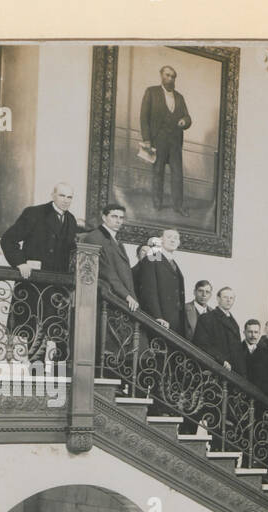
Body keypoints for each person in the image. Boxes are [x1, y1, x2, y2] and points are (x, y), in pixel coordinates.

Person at [0, 183, 80, 358]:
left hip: (58, 287)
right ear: (53, 195)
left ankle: (58, 378)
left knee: (58, 332)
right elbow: (8, 239)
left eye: (69, 197)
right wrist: (20, 263)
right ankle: (36, 377)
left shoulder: (71, 220)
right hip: (34, 284)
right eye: (62, 196)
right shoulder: (34, 213)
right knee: (34, 332)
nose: (65, 200)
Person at [140, 64, 192, 214]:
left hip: (175, 142)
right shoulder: (151, 92)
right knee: (158, 172)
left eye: (173, 76)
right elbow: (144, 117)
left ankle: (178, 206)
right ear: (161, 75)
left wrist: (185, 121)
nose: (170, 78)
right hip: (158, 141)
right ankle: (157, 204)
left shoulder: (180, 97)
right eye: (167, 75)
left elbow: (187, 117)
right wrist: (147, 140)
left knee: (177, 175)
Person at [80, 203, 139, 312]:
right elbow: (106, 272)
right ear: (104, 218)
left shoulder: (117, 241)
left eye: (121, 218)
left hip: (120, 298)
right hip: (107, 300)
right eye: (114, 216)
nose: (118, 221)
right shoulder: (95, 238)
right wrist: (127, 296)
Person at [136, 228, 187, 332]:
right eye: (169, 237)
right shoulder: (152, 258)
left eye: (176, 238)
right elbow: (149, 291)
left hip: (175, 322)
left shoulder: (174, 263)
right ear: (160, 240)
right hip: (160, 321)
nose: (173, 240)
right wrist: (157, 316)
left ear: (179, 243)